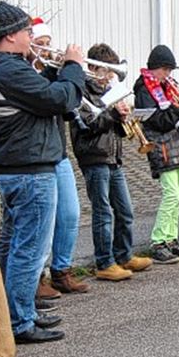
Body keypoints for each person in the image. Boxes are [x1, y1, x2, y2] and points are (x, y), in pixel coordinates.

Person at [0, 1, 85, 344]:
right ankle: (19, 321)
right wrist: (73, 67)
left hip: (18, 166)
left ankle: (16, 311)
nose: (33, 36)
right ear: (11, 36)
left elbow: (38, 98)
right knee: (29, 249)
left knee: (16, 244)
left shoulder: (1, 68)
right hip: (29, 169)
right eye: (27, 31)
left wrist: (54, 72)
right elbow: (59, 100)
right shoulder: (8, 69)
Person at [70, 43, 153, 280]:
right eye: (106, 72)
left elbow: (115, 127)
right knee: (103, 212)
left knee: (125, 210)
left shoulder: (110, 91)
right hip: (94, 156)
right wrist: (113, 115)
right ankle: (104, 262)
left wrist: (123, 118)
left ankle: (124, 255)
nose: (110, 77)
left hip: (113, 157)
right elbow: (87, 125)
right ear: (94, 68)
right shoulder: (82, 92)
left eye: (112, 73)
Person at [28, 18, 87, 296]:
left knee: (70, 213)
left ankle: (61, 270)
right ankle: (37, 276)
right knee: (45, 220)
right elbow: (44, 99)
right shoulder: (27, 74)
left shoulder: (53, 72)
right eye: (40, 45)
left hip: (59, 150)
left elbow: (67, 106)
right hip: (39, 154)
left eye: (48, 44)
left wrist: (68, 74)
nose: (47, 50)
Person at [134, 45, 179, 263]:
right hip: (161, 144)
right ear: (155, 68)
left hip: (178, 143)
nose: (169, 75)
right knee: (170, 194)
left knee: (178, 195)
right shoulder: (144, 89)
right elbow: (159, 122)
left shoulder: (168, 87)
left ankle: (172, 238)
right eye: (166, 70)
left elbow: (177, 118)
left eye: (170, 71)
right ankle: (158, 240)